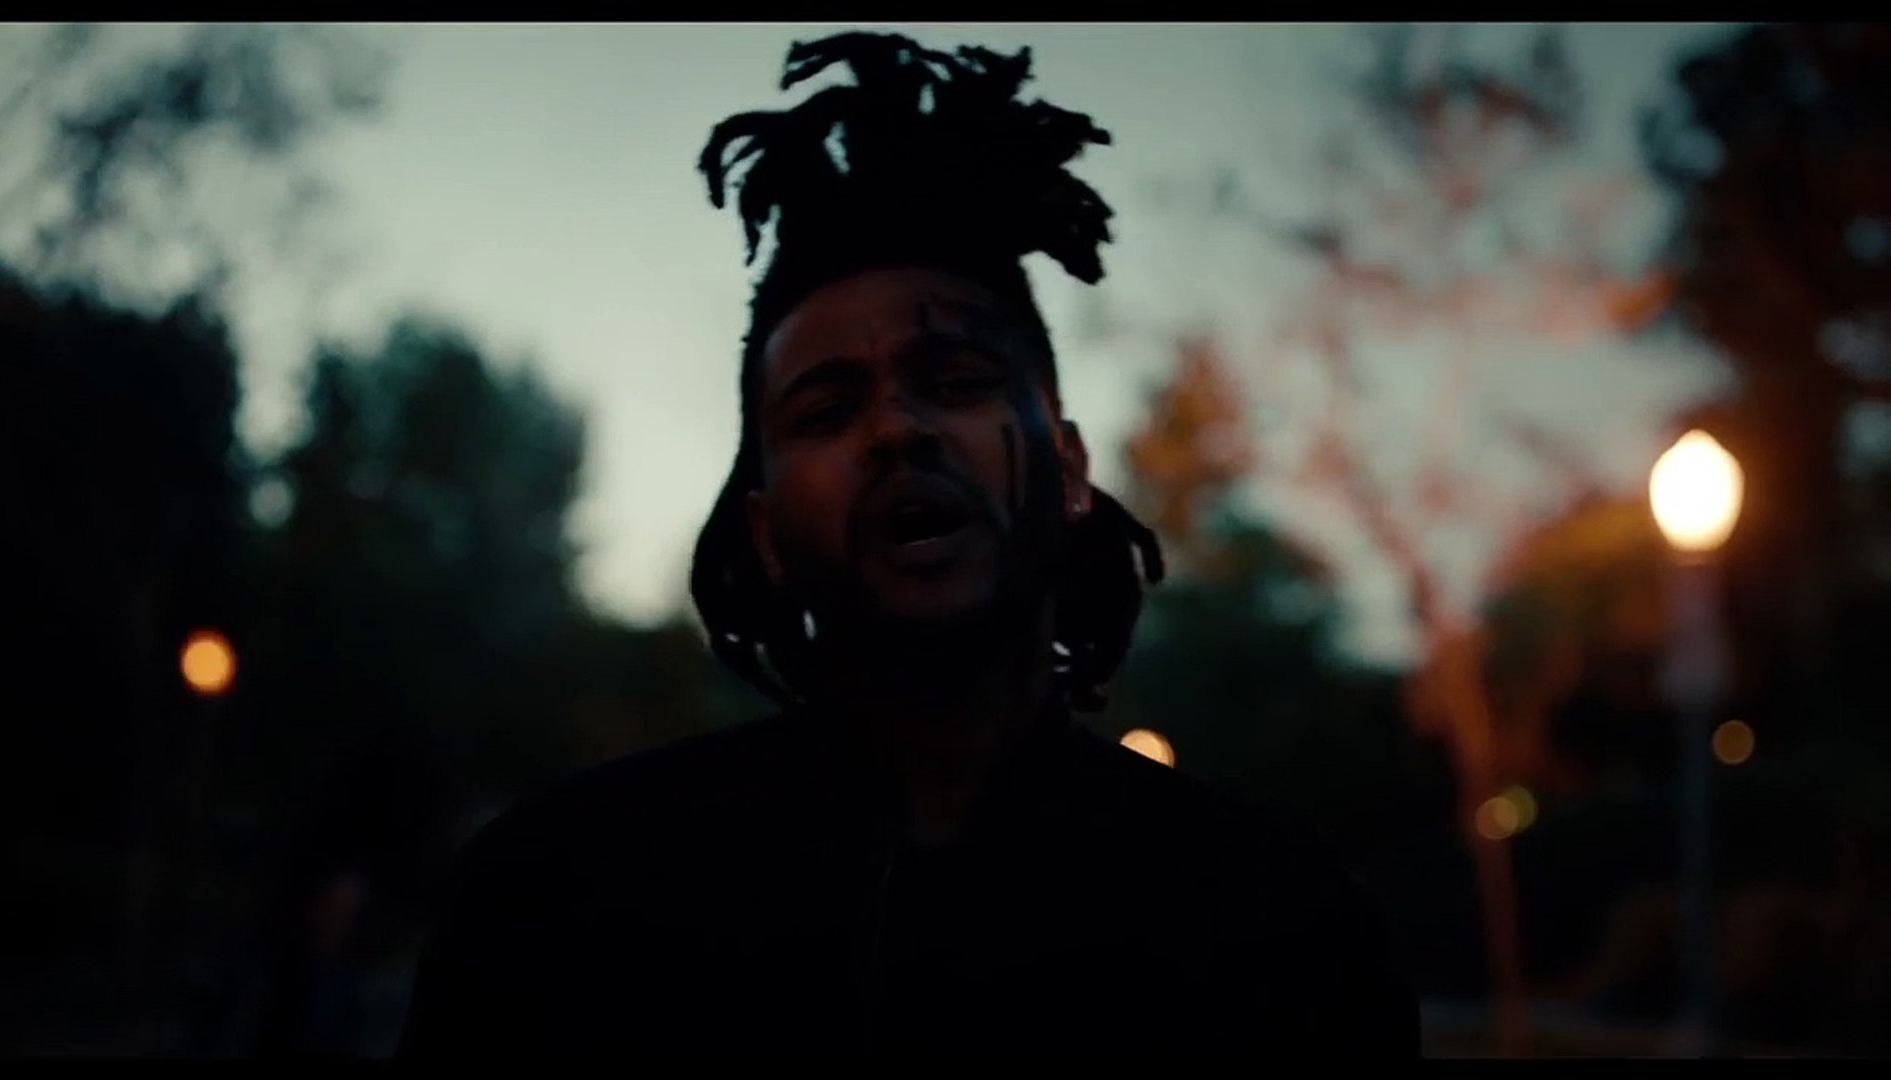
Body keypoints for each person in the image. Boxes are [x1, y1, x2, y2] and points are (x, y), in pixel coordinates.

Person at [397, 32, 1421, 1056]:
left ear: (1070, 470)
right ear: (763, 532)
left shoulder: (1281, 929)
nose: (896, 429)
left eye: (958, 383)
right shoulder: (561, 905)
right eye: (826, 410)